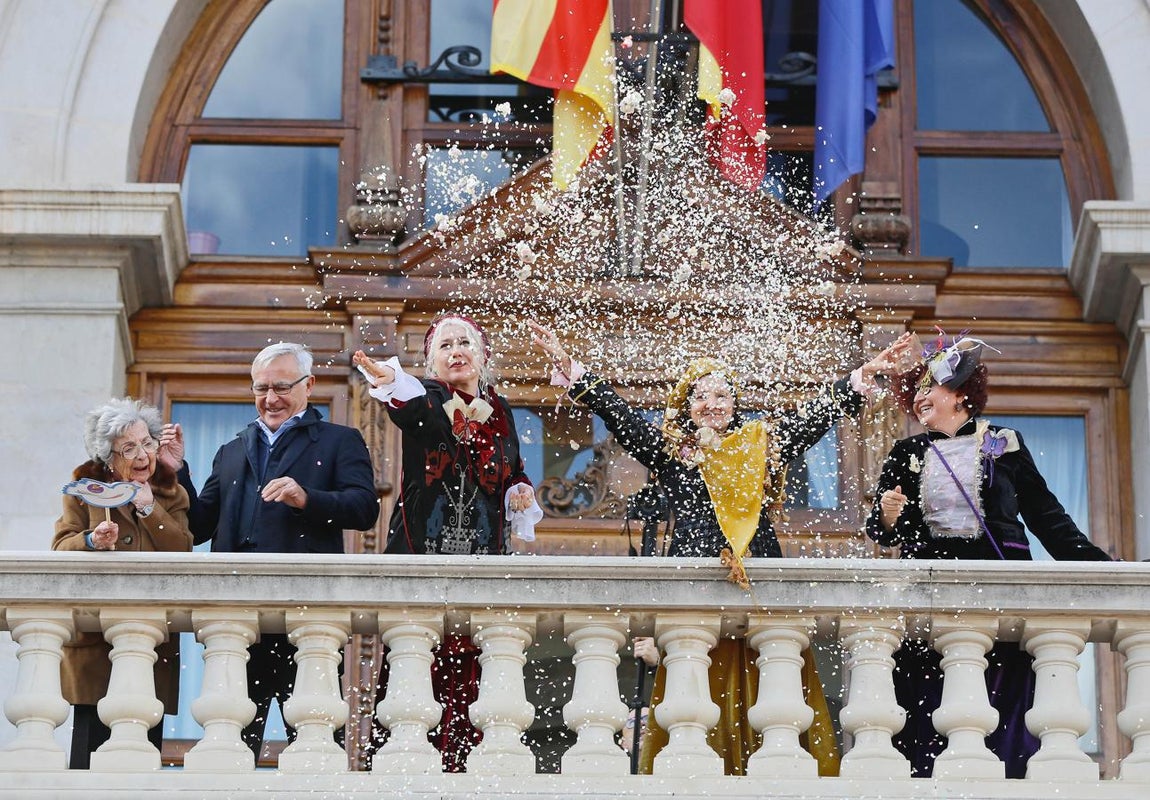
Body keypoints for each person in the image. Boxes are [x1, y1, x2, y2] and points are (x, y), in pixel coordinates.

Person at [530, 320, 912, 776]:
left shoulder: (759, 445)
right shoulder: (673, 451)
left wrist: (855, 383)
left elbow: (810, 422)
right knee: (693, 703)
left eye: (721, 396)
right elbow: (624, 419)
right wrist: (573, 370)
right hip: (695, 588)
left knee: (773, 697)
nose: (712, 404)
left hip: (759, 591)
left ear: (735, 405)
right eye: (701, 397)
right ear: (687, 408)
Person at [865, 332, 1113, 778]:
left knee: (1001, 697)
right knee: (929, 697)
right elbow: (881, 533)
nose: (920, 398)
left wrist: (1104, 567)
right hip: (930, 594)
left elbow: (1046, 518)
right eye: (916, 390)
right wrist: (886, 515)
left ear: (960, 393)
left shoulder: (1004, 440)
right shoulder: (906, 452)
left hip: (998, 589)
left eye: (929, 388)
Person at [353, 313, 542, 772]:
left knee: (479, 673)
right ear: (431, 361)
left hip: (482, 561)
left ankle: (473, 769)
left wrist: (519, 486)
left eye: (465, 343)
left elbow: (509, 465)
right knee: (416, 669)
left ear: (483, 355)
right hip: (423, 554)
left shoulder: (500, 407)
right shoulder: (431, 394)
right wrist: (392, 382)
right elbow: (420, 418)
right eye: (445, 346)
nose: (456, 351)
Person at [185, 341, 379, 759]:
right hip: (237, 619)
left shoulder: (340, 441)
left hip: (308, 615)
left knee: (314, 746)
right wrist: (175, 473)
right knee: (229, 746)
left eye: (281, 387)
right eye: (261, 389)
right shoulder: (231, 450)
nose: (270, 398)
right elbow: (197, 527)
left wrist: (306, 497)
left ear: (308, 386)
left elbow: (365, 510)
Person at [53, 397, 193, 769]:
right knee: (87, 762)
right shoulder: (85, 491)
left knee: (143, 759)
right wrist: (90, 540)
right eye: (128, 447)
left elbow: (182, 549)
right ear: (108, 456)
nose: (142, 454)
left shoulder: (170, 493)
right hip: (96, 643)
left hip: (152, 642)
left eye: (147, 442)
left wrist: (151, 509)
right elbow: (60, 546)